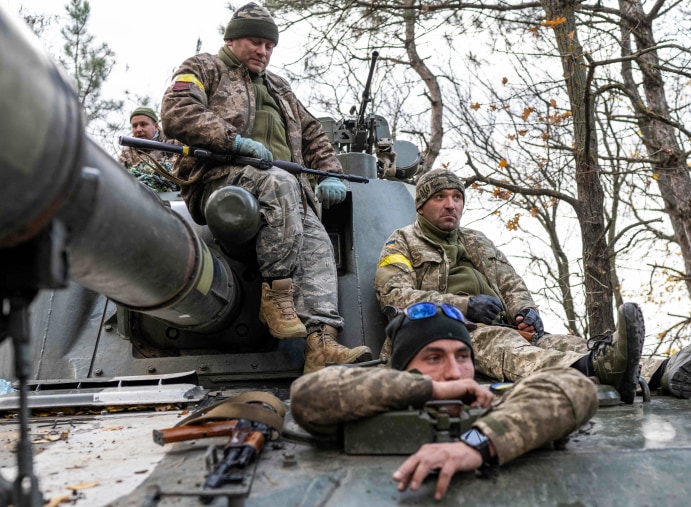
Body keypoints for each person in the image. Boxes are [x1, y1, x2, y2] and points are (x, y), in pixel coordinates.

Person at [374, 169, 691, 402]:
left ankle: (666, 370)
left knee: (563, 340)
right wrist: (466, 306)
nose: (451, 205)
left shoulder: (476, 240)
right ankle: (599, 369)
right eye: (440, 197)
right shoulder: (402, 241)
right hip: (448, 332)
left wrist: (525, 312)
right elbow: (394, 296)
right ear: (421, 206)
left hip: (503, 326)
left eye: (457, 197)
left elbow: (510, 280)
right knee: (507, 347)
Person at [160, 3, 371, 373]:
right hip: (220, 178)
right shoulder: (204, 68)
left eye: (269, 46)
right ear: (232, 39)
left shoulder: (279, 87)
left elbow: (313, 134)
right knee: (280, 182)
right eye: (255, 43)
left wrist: (329, 173)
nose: (263, 51)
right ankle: (276, 295)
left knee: (318, 245)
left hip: (284, 189)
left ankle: (321, 343)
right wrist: (233, 142)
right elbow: (177, 110)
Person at [290, 302, 599, 501]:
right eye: (434, 357)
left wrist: (476, 442)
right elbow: (308, 396)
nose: (454, 372)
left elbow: (575, 386)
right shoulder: (371, 397)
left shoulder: (496, 400)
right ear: (403, 369)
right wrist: (431, 389)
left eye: (463, 357)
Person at [118, 106, 180, 192]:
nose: (138, 129)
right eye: (135, 126)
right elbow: (119, 178)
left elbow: (181, 170)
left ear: (155, 126)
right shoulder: (127, 152)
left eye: (143, 124)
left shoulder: (172, 143)